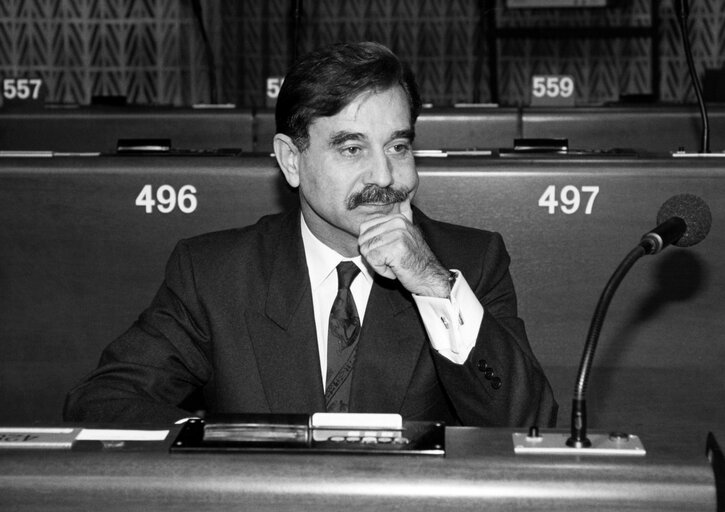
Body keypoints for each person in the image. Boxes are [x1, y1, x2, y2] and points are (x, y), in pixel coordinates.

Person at [64, 41, 557, 427]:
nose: (384, 177)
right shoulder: (215, 273)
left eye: (399, 146)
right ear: (291, 160)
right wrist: (232, 444)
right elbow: (102, 404)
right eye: (351, 149)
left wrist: (432, 286)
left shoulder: (467, 262)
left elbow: (528, 425)